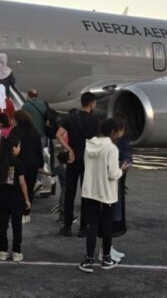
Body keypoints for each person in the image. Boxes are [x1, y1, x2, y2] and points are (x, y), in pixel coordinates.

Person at [78, 118, 130, 273]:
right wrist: (122, 169)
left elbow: (88, 166)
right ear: (113, 132)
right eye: (119, 131)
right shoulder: (111, 149)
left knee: (91, 226)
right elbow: (113, 174)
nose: (121, 134)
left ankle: (88, 260)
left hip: (90, 190)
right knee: (106, 226)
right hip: (107, 193)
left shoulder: (89, 144)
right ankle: (106, 258)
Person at [57, 92, 99, 237]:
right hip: (88, 160)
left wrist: (69, 149)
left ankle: (67, 227)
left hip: (72, 159)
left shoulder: (71, 118)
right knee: (86, 194)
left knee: (70, 193)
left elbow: (58, 134)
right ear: (92, 103)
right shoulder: (95, 120)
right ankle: (83, 228)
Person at [0, 135, 30, 262]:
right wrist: (27, 199)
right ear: (14, 148)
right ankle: (16, 252)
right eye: (19, 146)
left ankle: (3, 251)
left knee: (2, 224)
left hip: (2, 197)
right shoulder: (17, 162)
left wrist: (0, 186)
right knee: (16, 225)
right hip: (16, 198)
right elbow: (22, 183)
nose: (20, 149)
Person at [10, 110, 43, 220]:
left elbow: (11, 147)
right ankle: (27, 212)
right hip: (33, 164)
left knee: (18, 188)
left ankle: (18, 211)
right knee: (29, 189)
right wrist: (41, 163)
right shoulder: (35, 131)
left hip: (19, 164)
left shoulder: (14, 131)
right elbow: (39, 149)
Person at [112, 114, 132, 239]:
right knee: (115, 205)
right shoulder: (112, 145)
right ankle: (106, 251)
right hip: (117, 171)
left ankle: (106, 249)